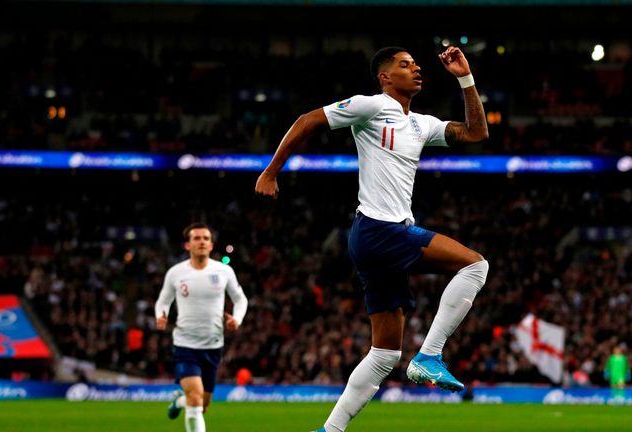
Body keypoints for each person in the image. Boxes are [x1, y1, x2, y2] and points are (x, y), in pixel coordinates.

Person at [255, 46, 489, 432]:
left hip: (377, 238)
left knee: (384, 354)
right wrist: (271, 171)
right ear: (384, 76)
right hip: (381, 230)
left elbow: (476, 132)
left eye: (415, 64)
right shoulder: (369, 106)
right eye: (404, 64)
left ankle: (329, 429)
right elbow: (306, 120)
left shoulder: (422, 124)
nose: (416, 69)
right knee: (475, 264)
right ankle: (429, 355)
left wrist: (465, 78)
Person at [155, 223, 248, 432]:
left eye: (206, 238)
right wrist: (161, 315)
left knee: (201, 405)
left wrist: (238, 318)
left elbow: (241, 300)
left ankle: (178, 402)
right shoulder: (176, 273)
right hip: (185, 346)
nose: (202, 242)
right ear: (187, 245)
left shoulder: (224, 271)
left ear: (212, 244)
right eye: (197, 238)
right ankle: (186, 399)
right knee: (195, 398)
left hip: (213, 346)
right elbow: (163, 301)